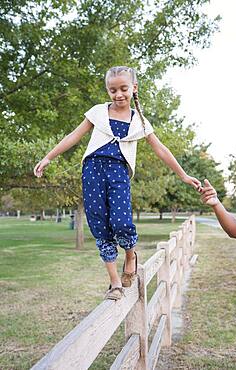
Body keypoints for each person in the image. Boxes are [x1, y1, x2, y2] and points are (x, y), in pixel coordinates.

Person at [34, 66, 201, 300]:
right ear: (107, 90)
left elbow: (161, 149)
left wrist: (183, 175)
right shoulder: (98, 113)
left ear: (134, 88)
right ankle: (114, 283)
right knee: (100, 226)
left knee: (121, 222)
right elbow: (74, 135)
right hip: (92, 171)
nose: (118, 94)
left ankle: (131, 256)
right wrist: (48, 156)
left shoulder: (139, 122)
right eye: (113, 90)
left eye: (124, 88)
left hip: (118, 172)